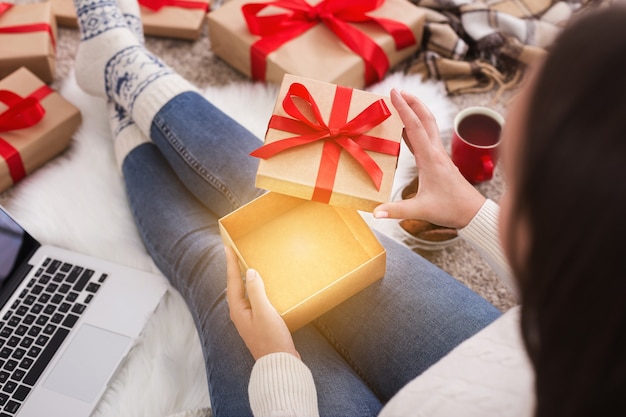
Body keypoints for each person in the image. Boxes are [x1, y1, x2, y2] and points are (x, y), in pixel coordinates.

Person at [70, 0, 625, 415]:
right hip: (512, 365)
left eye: (516, 180)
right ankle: (123, 66)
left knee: (218, 273)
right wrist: (471, 211)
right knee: (274, 199)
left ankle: (120, 75)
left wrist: (277, 366)